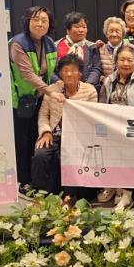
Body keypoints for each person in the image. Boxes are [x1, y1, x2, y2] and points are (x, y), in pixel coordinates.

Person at [32, 55, 97, 195]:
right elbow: (43, 115)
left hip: (78, 137)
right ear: (60, 73)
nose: (69, 74)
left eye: (73, 70)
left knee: (71, 157)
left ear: (80, 73)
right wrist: (46, 132)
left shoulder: (90, 91)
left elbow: (91, 118)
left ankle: (70, 197)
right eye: (65, 70)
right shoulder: (52, 90)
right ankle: (41, 195)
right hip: (54, 134)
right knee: (40, 155)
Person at [9, 6, 59, 189]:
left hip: (39, 99)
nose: (40, 24)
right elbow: (27, 74)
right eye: (35, 19)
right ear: (27, 21)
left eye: (44, 20)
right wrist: (51, 91)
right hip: (20, 101)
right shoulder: (17, 43)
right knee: (21, 143)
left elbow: (50, 72)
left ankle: (34, 181)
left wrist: (61, 83)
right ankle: (22, 181)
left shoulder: (50, 43)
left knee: (34, 139)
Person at [98, 45, 134, 209]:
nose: (126, 63)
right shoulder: (108, 80)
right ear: (116, 62)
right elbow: (101, 107)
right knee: (101, 142)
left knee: (128, 148)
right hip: (111, 126)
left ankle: (126, 194)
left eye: (130, 60)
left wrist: (125, 126)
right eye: (122, 59)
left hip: (133, 127)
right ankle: (112, 184)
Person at [55, 11, 102, 89]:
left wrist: (87, 85)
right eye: (77, 27)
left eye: (84, 27)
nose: (81, 30)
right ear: (68, 29)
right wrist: (59, 83)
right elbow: (51, 69)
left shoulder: (92, 47)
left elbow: (96, 68)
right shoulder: (55, 46)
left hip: (86, 88)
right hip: (60, 88)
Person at [98, 16, 131, 81]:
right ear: (106, 33)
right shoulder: (99, 50)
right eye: (111, 31)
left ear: (123, 33)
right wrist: (103, 80)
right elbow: (97, 71)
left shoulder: (131, 49)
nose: (114, 34)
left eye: (117, 31)